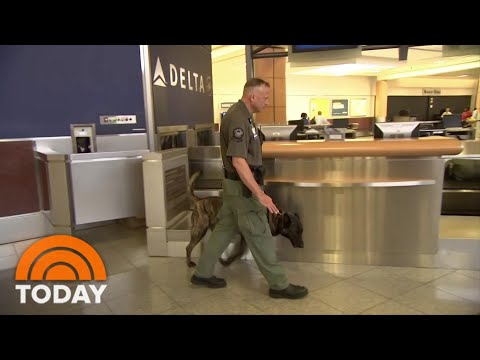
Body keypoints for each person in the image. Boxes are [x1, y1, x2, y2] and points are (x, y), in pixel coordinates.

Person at [190, 78, 308, 299]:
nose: (267, 102)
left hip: (236, 188)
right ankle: (279, 285)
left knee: (224, 228)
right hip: (243, 188)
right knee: (260, 233)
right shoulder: (238, 118)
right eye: (265, 97)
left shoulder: (243, 116)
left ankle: (202, 273)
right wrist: (259, 194)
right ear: (252, 96)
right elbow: (238, 161)